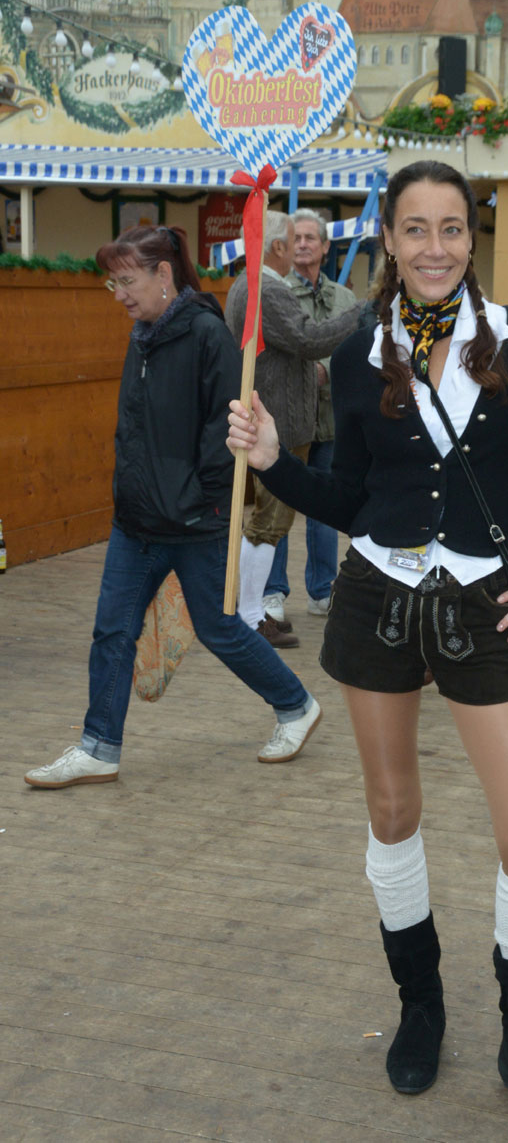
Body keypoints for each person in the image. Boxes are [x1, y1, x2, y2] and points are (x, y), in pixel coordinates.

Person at [227, 160, 508, 1113]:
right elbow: (352, 496)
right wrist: (276, 460)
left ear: (470, 238)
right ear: (390, 242)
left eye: (452, 228)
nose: (435, 247)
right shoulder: (362, 344)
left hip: (485, 604)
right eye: (415, 229)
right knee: (393, 812)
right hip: (375, 596)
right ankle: (421, 1007)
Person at [24, 225, 321, 789]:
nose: (120, 294)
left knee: (220, 628)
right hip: (135, 521)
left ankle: (296, 705)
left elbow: (227, 431)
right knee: (112, 630)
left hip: (191, 521)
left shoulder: (207, 335)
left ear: (164, 274)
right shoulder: (143, 333)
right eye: (113, 283)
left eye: (128, 280)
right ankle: (99, 746)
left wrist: (193, 498)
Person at [225, 211, 359, 644]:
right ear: (279, 247)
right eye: (291, 240)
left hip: (274, 417)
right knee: (270, 522)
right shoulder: (266, 288)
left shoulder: (249, 284)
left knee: (272, 520)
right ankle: (249, 616)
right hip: (277, 421)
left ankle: (251, 613)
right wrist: (362, 315)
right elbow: (309, 340)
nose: (298, 247)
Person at [261, 207, 358, 623]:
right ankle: (271, 592)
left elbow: (356, 349)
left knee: (326, 506)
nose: (302, 244)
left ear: (324, 247)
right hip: (288, 420)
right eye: (295, 238)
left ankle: (323, 590)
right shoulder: (277, 291)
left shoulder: (345, 298)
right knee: (279, 503)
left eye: (309, 238)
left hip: (333, 419)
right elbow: (298, 342)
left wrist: (327, 369)